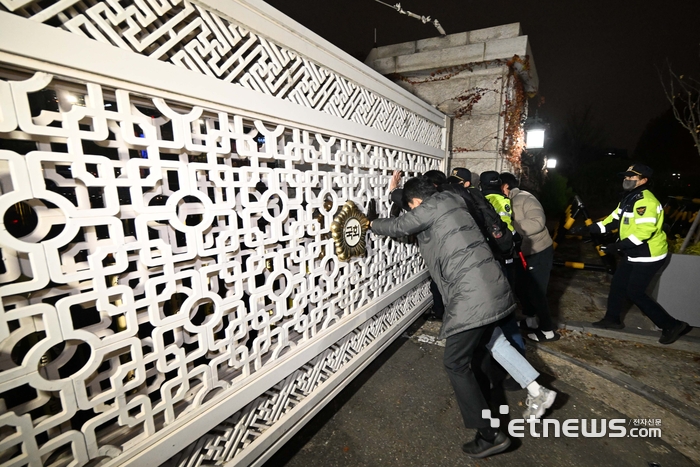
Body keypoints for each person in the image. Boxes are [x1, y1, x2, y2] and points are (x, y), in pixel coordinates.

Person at [370, 176, 514, 458]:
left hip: (473, 296)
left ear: (419, 203)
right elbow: (411, 211)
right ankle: (491, 410)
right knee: (478, 356)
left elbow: (400, 225)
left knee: (455, 363)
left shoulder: (430, 207)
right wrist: (394, 193)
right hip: (494, 285)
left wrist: (370, 223)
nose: (412, 212)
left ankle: (490, 434)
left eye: (412, 207)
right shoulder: (451, 200)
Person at [589, 164, 689, 344]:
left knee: (635, 292)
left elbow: (644, 232)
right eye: (625, 177)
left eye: (631, 178)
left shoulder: (647, 202)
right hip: (633, 252)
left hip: (649, 255)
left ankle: (672, 325)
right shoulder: (629, 198)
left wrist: (617, 246)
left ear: (644, 181)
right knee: (618, 285)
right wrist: (594, 228)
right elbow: (614, 218)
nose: (626, 180)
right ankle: (612, 319)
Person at [500, 172, 560, 343]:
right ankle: (531, 320)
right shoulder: (504, 201)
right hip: (520, 253)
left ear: (505, 186)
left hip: (538, 251)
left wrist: (510, 227)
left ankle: (547, 330)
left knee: (537, 291)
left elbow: (537, 222)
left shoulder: (526, 199)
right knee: (521, 288)